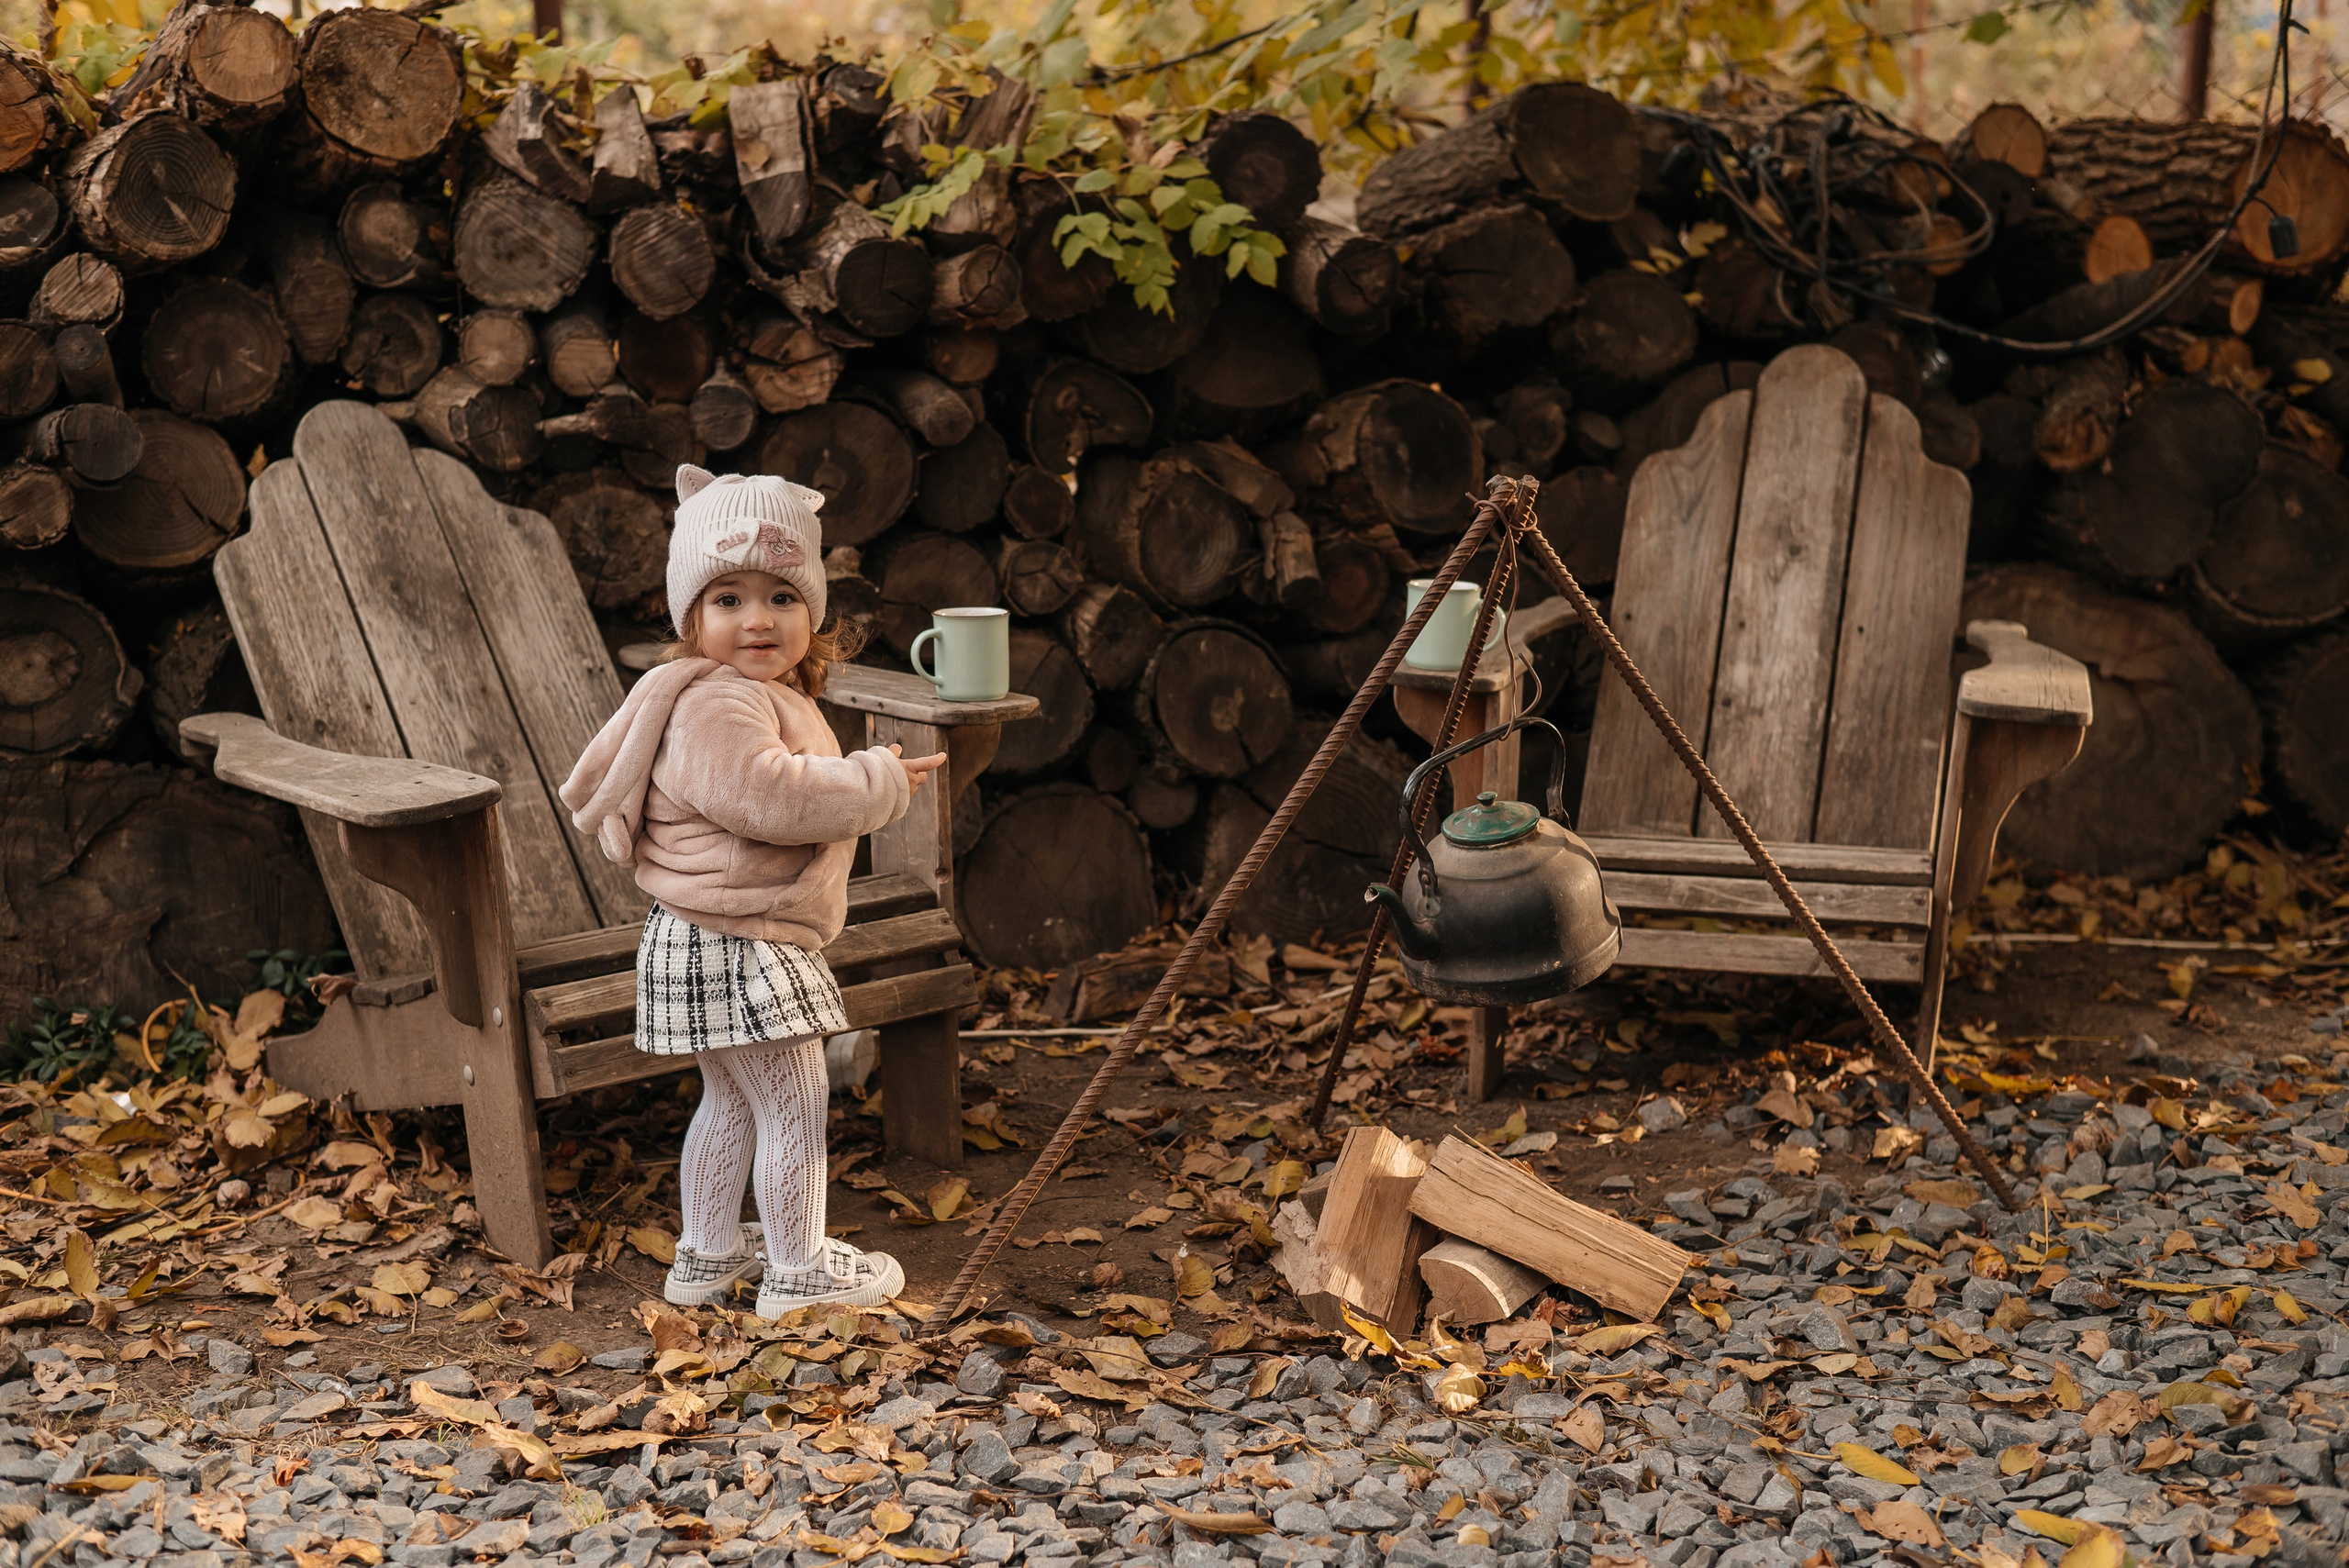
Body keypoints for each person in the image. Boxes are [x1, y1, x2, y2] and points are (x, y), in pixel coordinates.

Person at [560, 464, 944, 1315]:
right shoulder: (717, 705)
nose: (757, 618)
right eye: (728, 598)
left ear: (814, 612)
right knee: (796, 1104)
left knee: (732, 1098)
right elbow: (768, 797)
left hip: (710, 931)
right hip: (741, 938)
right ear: (691, 618)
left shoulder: (745, 693)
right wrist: (875, 780)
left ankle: (706, 1256)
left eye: (781, 596)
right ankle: (800, 1271)